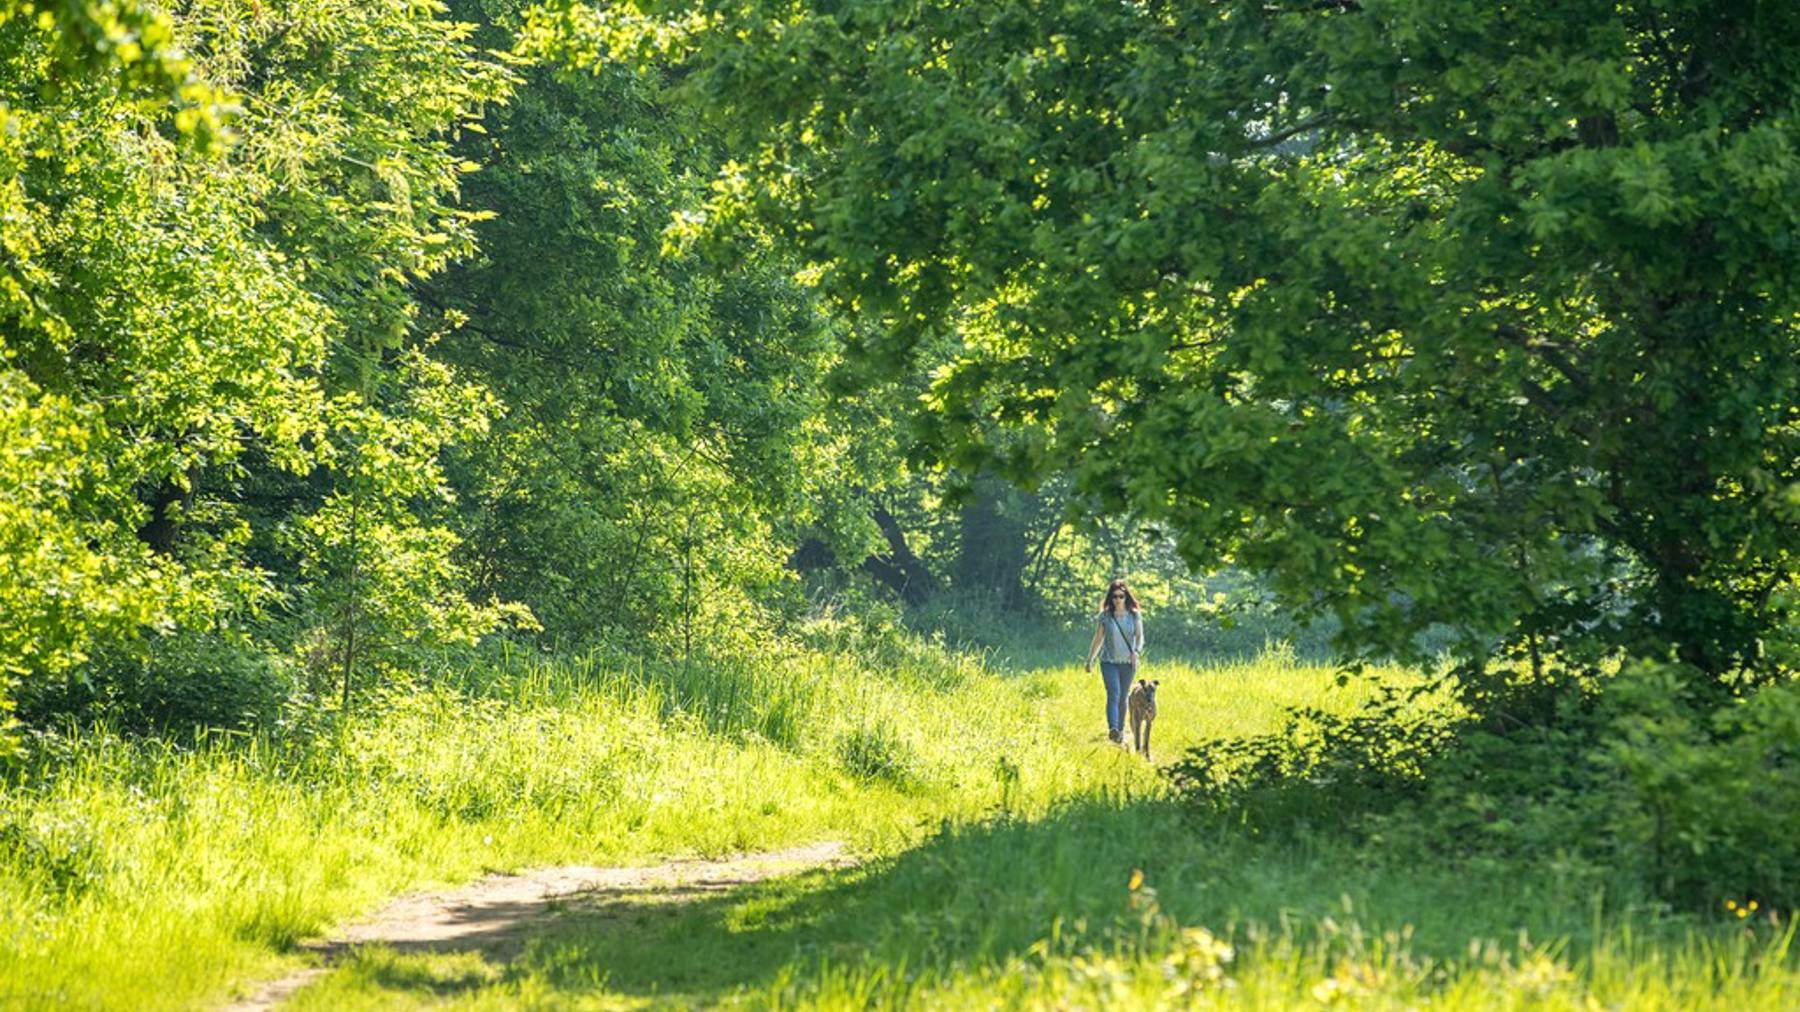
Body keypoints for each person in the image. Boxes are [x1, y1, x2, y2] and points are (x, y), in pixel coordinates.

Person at [1085, 579, 1143, 745]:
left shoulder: (1134, 615)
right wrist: (1090, 660)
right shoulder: (1105, 617)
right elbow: (1098, 639)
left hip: (1128, 663)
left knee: (1123, 696)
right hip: (1108, 661)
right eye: (1115, 596)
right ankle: (1113, 729)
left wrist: (1136, 653)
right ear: (1110, 598)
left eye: (1121, 596)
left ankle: (1120, 731)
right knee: (1113, 694)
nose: (1118, 599)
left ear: (1126, 597)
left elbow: (1140, 637)